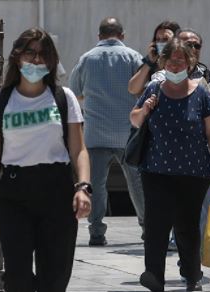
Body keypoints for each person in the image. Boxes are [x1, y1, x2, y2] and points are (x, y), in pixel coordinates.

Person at [0, 28, 91, 292]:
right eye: (30, 53)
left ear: (51, 61)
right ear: (17, 57)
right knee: (18, 276)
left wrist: (83, 187)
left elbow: (79, 149)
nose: (36, 60)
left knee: (54, 276)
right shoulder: (0, 101)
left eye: (43, 54)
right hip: (14, 193)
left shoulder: (63, 99)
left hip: (57, 191)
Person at [130, 38, 210, 292]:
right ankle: (154, 275)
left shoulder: (202, 93)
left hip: (193, 171)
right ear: (164, 63)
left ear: (189, 63)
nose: (175, 66)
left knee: (187, 225)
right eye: (171, 62)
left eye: (180, 62)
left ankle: (192, 274)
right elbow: (135, 119)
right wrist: (146, 109)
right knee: (156, 224)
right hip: (156, 169)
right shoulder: (153, 89)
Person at [151, 28, 210, 251]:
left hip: (206, 154)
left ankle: (193, 255)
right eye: (187, 44)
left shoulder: (209, 76)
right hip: (171, 157)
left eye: (196, 45)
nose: (192, 49)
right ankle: (182, 244)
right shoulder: (160, 78)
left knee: (204, 207)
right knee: (177, 208)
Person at [69, 17, 145, 246]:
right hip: (128, 133)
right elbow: (142, 89)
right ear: (122, 35)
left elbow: (75, 92)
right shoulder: (133, 57)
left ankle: (96, 232)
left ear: (99, 36)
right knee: (137, 184)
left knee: (96, 185)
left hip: (96, 134)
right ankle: (148, 227)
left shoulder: (86, 59)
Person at [127, 20, 180, 95]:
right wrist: (149, 62)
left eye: (165, 39)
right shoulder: (153, 63)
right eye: (158, 39)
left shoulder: (184, 62)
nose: (161, 43)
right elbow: (133, 89)